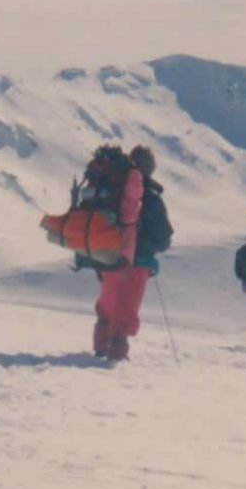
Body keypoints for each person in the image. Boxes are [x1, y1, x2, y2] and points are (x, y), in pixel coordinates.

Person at [80, 145, 165, 361]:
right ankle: (116, 356)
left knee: (107, 304)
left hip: (108, 253)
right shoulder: (150, 197)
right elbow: (162, 237)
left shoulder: (112, 186)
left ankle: (99, 350)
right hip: (138, 262)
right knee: (126, 310)